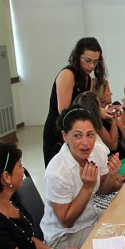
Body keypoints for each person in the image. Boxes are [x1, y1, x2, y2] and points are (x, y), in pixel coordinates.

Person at [41, 107, 125, 249]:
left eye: (90, 135)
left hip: (90, 220)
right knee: (119, 241)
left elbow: (104, 190)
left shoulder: (97, 152)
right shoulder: (57, 172)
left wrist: (112, 174)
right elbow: (66, 221)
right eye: (77, 136)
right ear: (65, 136)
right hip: (65, 236)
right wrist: (87, 188)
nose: (85, 143)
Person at [42, 37, 106, 166]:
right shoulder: (67, 74)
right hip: (58, 131)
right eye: (87, 61)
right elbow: (64, 111)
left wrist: (102, 112)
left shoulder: (86, 78)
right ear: (77, 57)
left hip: (74, 131)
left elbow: (84, 106)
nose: (91, 66)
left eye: (95, 62)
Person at [75, 89, 125, 159]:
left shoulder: (101, 117)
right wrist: (113, 118)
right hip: (116, 160)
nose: (111, 93)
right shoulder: (94, 123)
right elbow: (113, 146)